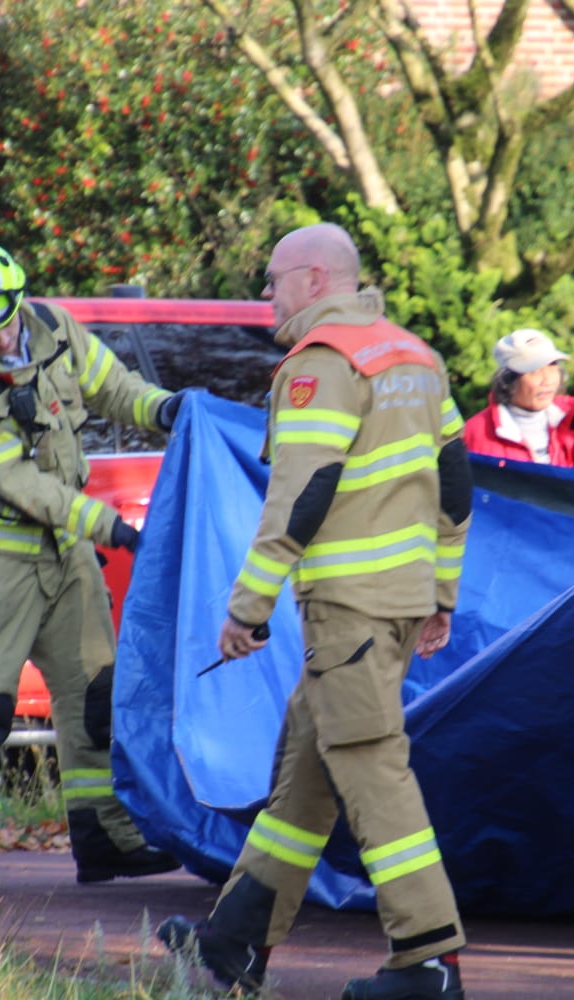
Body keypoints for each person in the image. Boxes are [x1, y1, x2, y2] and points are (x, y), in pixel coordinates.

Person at [157, 223, 475, 1000]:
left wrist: (248, 607)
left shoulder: (322, 363)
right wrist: (441, 594)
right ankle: (236, 940)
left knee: (371, 770)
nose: (266, 294)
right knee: (304, 778)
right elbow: (457, 484)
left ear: (314, 279)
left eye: (273, 278)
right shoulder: (415, 356)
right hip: (394, 609)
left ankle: (429, 960)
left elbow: (302, 494)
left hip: (348, 612)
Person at [0, 238, 183, 892]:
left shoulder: (55, 327)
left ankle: (103, 839)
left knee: (95, 700)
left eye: (4, 316)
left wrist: (165, 409)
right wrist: (108, 525)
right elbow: (21, 486)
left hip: (67, 560)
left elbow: (114, 387)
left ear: (19, 296)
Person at [462, 328, 574, 475]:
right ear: (507, 381)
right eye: (534, 371)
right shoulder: (476, 433)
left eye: (552, 366)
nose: (547, 380)